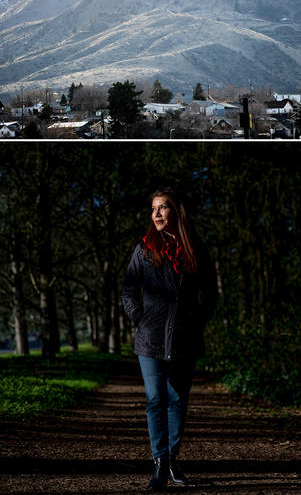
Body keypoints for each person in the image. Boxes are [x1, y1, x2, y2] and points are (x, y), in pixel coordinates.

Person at [121, 188, 217, 491]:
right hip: (150, 336)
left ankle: (173, 458)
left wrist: (197, 318)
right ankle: (160, 462)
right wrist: (138, 316)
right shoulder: (144, 248)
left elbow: (211, 293)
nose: (157, 214)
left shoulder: (196, 249)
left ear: (177, 211)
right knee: (155, 399)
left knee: (177, 400)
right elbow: (128, 289)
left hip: (184, 336)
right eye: (153, 208)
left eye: (163, 208)